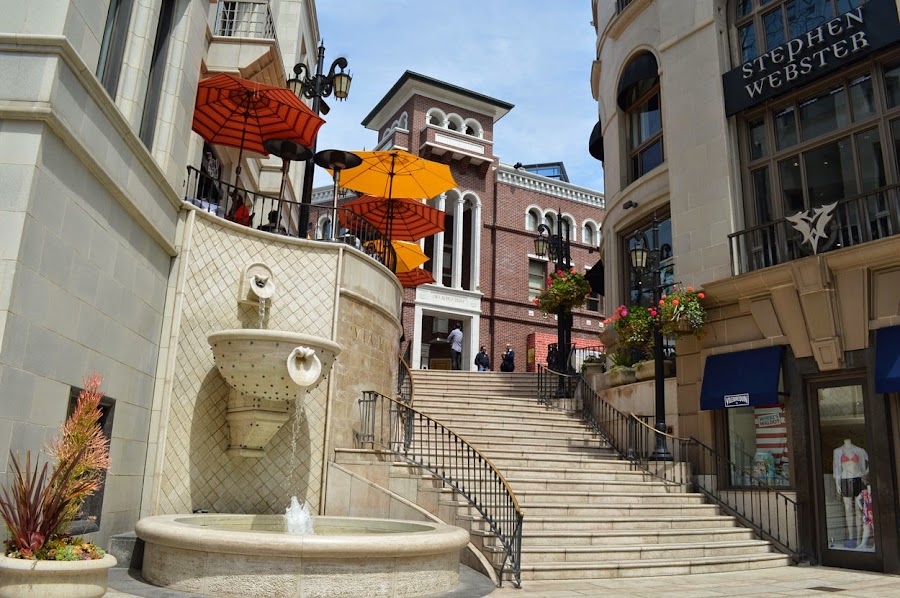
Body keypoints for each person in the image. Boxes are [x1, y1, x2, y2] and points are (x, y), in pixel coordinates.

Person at [833, 439, 868, 549]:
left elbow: (870, 462)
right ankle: (851, 537)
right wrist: (837, 483)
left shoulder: (859, 450)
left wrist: (864, 473)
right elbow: (836, 467)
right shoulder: (837, 451)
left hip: (858, 479)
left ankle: (859, 538)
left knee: (859, 509)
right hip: (845, 479)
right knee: (848, 509)